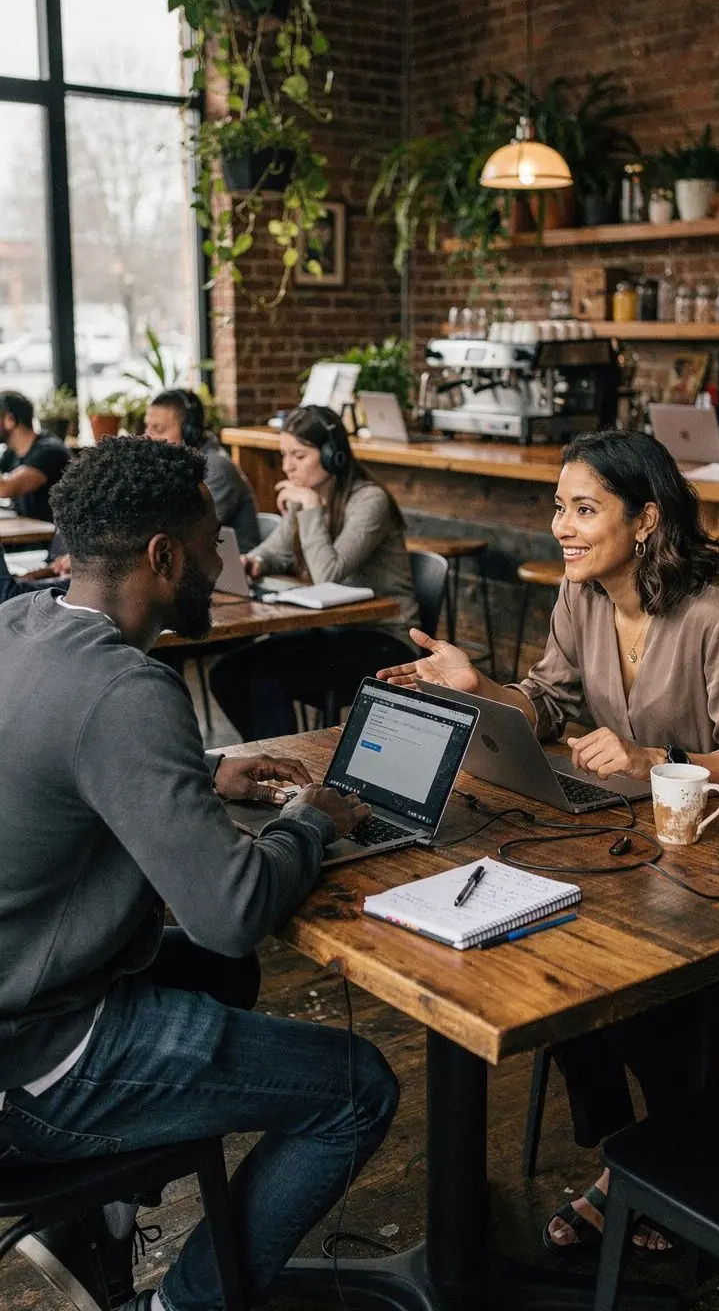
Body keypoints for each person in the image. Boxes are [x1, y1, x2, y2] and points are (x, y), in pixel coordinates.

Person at [0, 435, 398, 1311]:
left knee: (226, 975)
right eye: (214, 543)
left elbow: (60, 762)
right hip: (34, 1064)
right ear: (163, 555)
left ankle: (94, 1207)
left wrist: (195, 773)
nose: (226, 562)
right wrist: (310, 823)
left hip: (16, 1003)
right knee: (357, 1086)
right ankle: (180, 1304)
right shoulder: (127, 692)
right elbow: (231, 908)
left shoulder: (22, 621)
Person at [379, 427, 719, 1256]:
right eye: (558, 508)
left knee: (617, 988)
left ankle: (648, 1163)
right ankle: (625, 1152)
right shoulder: (580, 600)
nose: (561, 526)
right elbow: (550, 702)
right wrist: (482, 686)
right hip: (623, 845)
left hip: (709, 859)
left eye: (583, 509)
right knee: (532, 954)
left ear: (644, 519)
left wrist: (657, 760)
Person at [209, 404, 421, 741]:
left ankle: (288, 773)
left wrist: (309, 508)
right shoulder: (305, 497)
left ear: (331, 455)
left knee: (267, 679)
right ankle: (268, 758)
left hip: (384, 639)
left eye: (298, 455)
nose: (287, 466)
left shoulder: (370, 501)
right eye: (284, 455)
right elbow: (275, 550)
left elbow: (328, 573)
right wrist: (255, 562)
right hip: (331, 630)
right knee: (226, 672)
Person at [144, 388, 260, 552]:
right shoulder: (173, 465)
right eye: (148, 427)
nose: (149, 437)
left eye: (159, 429)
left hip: (236, 569)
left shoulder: (215, 468)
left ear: (188, 432)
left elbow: (186, 531)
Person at [0, 389, 71, 521]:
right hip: (29, 533)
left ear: (10, 419)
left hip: (55, 538)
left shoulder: (49, 451)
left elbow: (6, 488)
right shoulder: (11, 453)